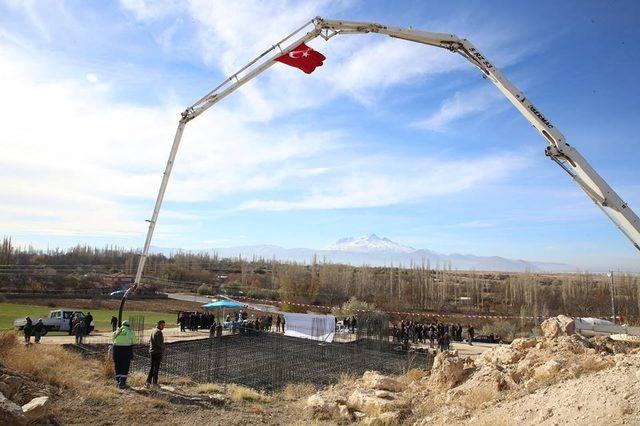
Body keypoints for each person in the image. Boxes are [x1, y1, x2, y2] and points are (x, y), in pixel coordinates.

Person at [112, 320, 137, 389]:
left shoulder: (116, 331)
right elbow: (134, 341)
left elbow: (112, 340)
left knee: (117, 366)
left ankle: (118, 381)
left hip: (116, 350)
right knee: (125, 366)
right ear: (128, 326)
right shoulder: (130, 332)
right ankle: (122, 383)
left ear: (122, 325)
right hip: (126, 350)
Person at [146, 320, 165, 388]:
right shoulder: (159, 332)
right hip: (157, 352)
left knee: (152, 367)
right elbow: (160, 343)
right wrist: (163, 347)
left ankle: (148, 382)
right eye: (162, 325)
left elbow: (149, 341)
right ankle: (155, 383)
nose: (163, 327)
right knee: (156, 368)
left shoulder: (153, 331)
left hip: (152, 351)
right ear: (159, 325)